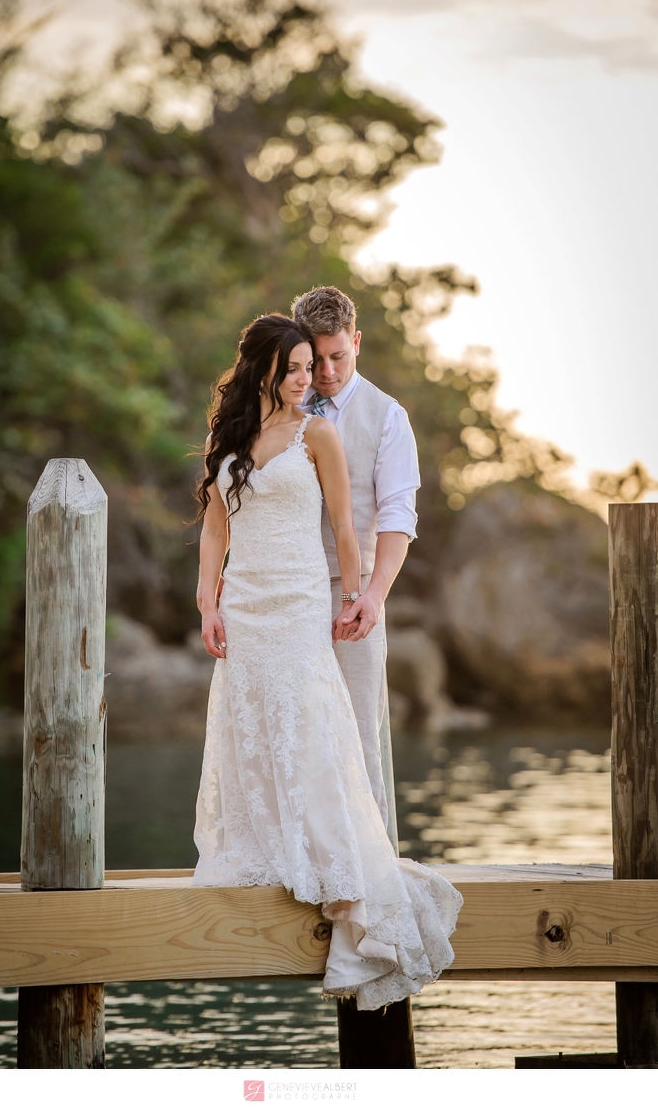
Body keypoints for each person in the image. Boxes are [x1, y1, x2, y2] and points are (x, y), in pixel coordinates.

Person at [193, 312, 461, 1010]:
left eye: (315, 368)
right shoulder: (232, 436)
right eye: (297, 369)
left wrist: (355, 595)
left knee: (307, 719)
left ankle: (336, 863)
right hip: (245, 599)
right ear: (264, 369)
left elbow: (347, 525)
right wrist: (207, 602)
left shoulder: (321, 432)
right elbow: (217, 524)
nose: (310, 380)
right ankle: (264, 849)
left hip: (299, 596)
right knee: (249, 718)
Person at [292, 285, 418, 842]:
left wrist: (373, 595)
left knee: (360, 732)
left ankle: (373, 874)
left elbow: (396, 517)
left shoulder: (388, 417)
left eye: (337, 356)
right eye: (315, 358)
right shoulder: (281, 411)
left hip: (357, 595)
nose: (325, 371)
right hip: (285, 589)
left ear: (357, 342)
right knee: (292, 732)